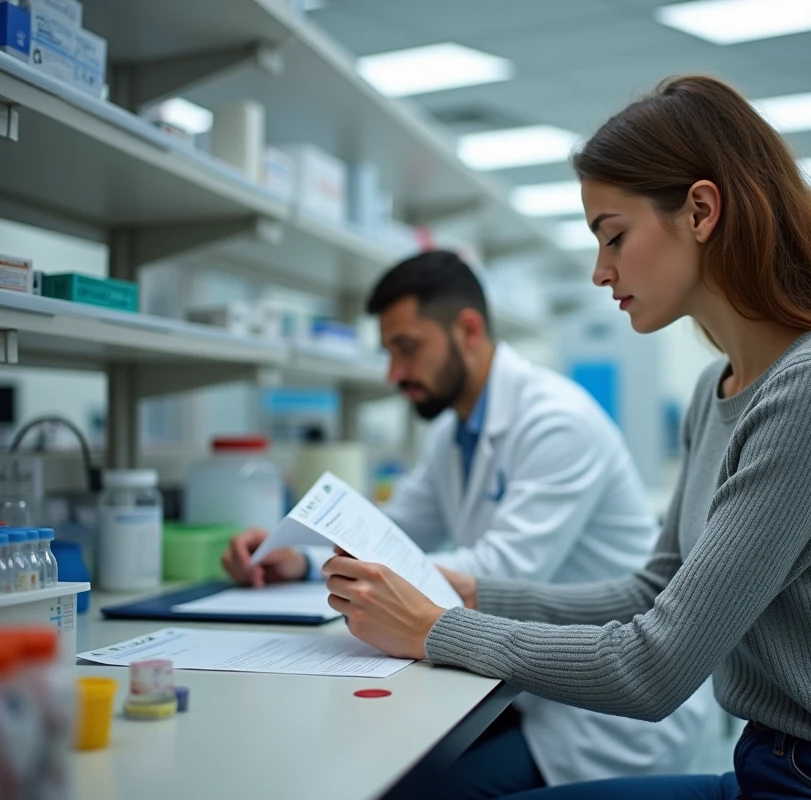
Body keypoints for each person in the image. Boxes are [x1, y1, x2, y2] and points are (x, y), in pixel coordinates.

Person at [314, 74, 811, 800]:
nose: (601, 272)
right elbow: (654, 588)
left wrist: (436, 629)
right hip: (776, 767)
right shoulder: (718, 388)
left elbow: (652, 670)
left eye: (614, 237)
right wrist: (478, 594)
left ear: (700, 211)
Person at [221, 250, 714, 798]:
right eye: (388, 353)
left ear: (468, 329)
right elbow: (394, 533)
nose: (394, 373)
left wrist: (354, 574)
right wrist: (300, 557)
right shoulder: (451, 433)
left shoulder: (557, 423)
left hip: (596, 712)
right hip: (519, 679)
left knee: (421, 788)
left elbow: (497, 572)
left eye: (407, 348)